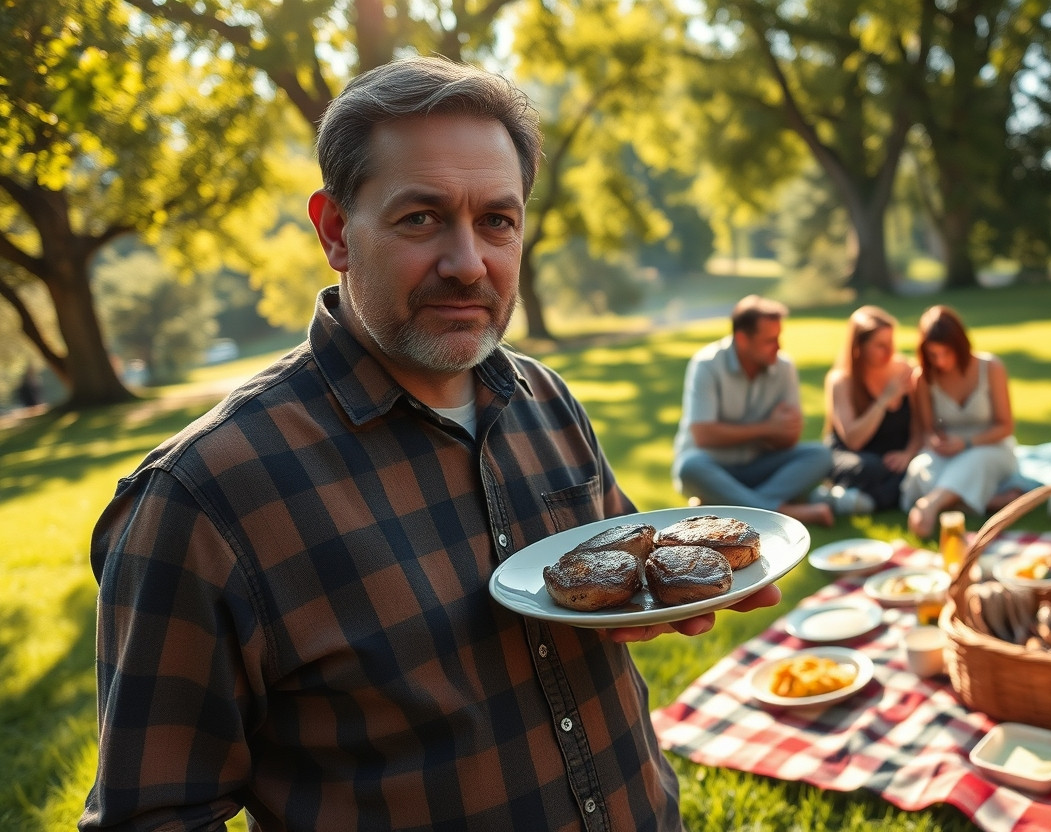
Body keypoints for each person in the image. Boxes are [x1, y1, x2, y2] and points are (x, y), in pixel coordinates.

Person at [82, 55, 777, 831]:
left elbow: (617, 578)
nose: (468, 263)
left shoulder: (547, 400)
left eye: (497, 221)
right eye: (421, 218)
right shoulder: (204, 500)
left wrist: (661, 602)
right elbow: (153, 815)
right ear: (337, 230)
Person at [670, 295, 835, 526]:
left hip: (759, 466)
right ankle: (786, 512)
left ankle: (724, 504)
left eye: (779, 338)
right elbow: (704, 435)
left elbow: (789, 438)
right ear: (742, 339)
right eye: (770, 340)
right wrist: (768, 428)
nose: (779, 346)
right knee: (689, 466)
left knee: (820, 454)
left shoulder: (784, 367)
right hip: (711, 467)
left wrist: (780, 431)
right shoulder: (706, 364)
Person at [900, 305, 1021, 538]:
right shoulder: (923, 378)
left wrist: (966, 443)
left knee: (975, 461)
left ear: (960, 345)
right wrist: (936, 441)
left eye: (946, 353)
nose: (941, 361)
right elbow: (927, 431)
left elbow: (1005, 426)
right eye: (933, 355)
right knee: (920, 468)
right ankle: (988, 502)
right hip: (948, 452)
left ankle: (932, 504)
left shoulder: (991, 368)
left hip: (989, 446)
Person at [817, 305, 921, 514]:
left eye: (891, 342)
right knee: (871, 467)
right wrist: (884, 400)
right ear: (859, 347)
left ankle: (855, 501)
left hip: (895, 455)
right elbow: (854, 440)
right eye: (880, 345)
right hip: (856, 456)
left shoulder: (905, 370)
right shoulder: (841, 381)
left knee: (918, 465)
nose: (889, 351)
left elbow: (921, 424)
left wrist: (908, 453)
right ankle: (886, 497)